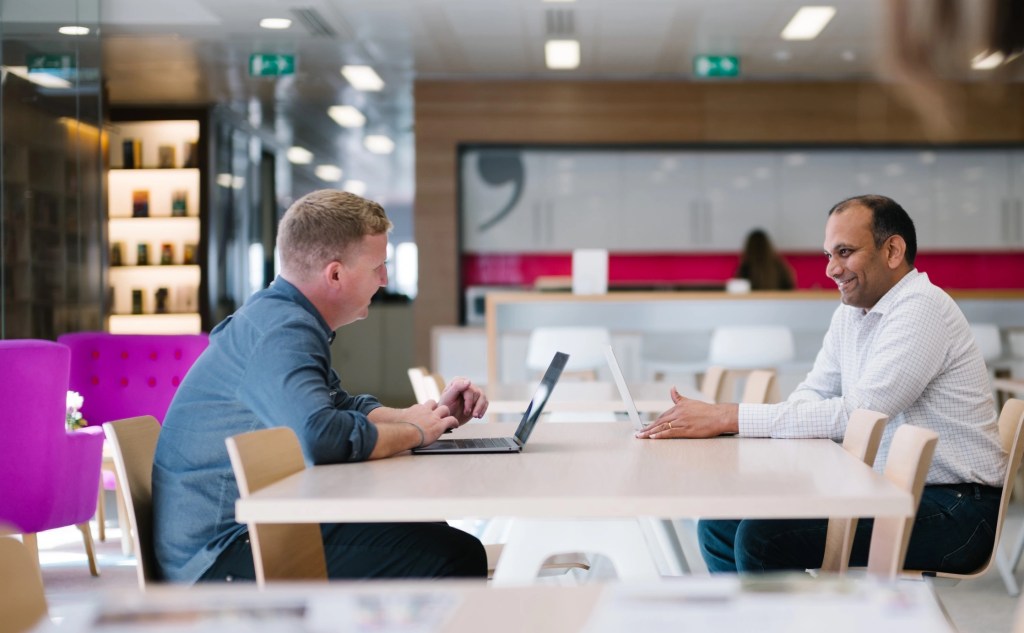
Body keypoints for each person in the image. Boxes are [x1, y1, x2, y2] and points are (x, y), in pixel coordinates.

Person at [638, 194, 1006, 574]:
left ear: (893, 250)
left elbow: (858, 416)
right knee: (720, 527)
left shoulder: (920, 307)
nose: (831, 269)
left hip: (957, 508)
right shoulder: (853, 313)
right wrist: (749, 422)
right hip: (893, 490)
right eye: (828, 255)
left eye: (844, 252)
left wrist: (728, 417)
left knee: (762, 538)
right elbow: (814, 391)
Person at [153, 189, 490, 583]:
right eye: (377, 267)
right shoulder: (283, 331)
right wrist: (414, 432)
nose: (384, 281)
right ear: (334, 274)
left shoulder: (282, 317)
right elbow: (320, 437)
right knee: (453, 554)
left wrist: (434, 417)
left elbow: (340, 404)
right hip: (222, 555)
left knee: (428, 528)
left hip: (243, 531)